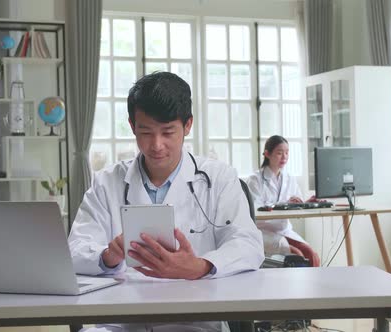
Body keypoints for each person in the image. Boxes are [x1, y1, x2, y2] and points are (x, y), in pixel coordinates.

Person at [68, 72, 265, 332]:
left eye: (168, 132)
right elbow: (74, 250)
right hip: (119, 321)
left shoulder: (219, 178)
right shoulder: (106, 182)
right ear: (132, 125)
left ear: (187, 125)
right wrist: (108, 256)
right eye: (145, 132)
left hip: (194, 321)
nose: (156, 145)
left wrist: (200, 266)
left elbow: (248, 244)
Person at [246, 135, 321, 267]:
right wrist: (284, 205)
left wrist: (305, 203)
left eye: (287, 153)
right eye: (279, 153)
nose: (284, 157)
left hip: (284, 230)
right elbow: (255, 211)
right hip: (263, 231)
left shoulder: (289, 178)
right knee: (298, 255)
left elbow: (296, 202)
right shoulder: (255, 180)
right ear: (267, 154)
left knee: (312, 255)